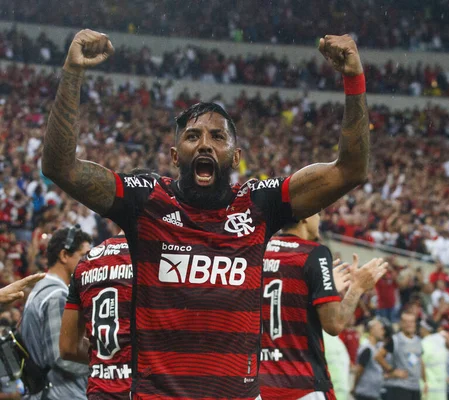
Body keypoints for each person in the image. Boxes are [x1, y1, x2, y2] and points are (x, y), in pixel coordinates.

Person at [43, 29, 371, 400]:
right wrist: (71, 72)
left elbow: (351, 170)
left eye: (218, 137)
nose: (204, 143)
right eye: (193, 136)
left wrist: (353, 79)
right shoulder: (147, 201)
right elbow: (60, 167)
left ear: (235, 156)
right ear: (173, 154)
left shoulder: (260, 204)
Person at [259, 214, 388, 399]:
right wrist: (357, 288)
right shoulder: (315, 252)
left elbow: (284, 299)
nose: (319, 219)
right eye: (318, 213)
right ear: (305, 216)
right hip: (303, 384)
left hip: (261, 385)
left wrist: (321, 289)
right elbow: (334, 324)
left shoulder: (262, 249)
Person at [59, 230, 132, 399]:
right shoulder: (155, 257)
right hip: (142, 390)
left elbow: (68, 348)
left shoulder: (85, 261)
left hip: (100, 391)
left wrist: (107, 358)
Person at [21, 226, 92, 400]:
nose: (89, 262)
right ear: (64, 255)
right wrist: (102, 363)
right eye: (84, 255)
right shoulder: (57, 296)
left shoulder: (41, 290)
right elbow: (63, 357)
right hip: (61, 394)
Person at [374, 312, 426, 400]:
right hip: (400, 386)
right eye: (406, 322)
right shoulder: (395, 339)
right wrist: (392, 370)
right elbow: (378, 356)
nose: (409, 325)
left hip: (415, 386)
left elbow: (420, 361)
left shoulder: (418, 341)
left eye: (411, 322)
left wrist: (425, 382)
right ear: (401, 323)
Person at [352, 318, 386, 400]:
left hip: (373, 393)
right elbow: (360, 369)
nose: (383, 332)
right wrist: (354, 387)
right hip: (365, 393)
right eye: (380, 329)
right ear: (372, 330)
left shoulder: (377, 348)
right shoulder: (367, 348)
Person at [420, 319, 449, 400]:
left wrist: (424, 382)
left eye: (421, 328)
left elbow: (421, 364)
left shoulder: (423, 343)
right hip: (441, 389)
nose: (420, 330)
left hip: (427, 387)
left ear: (426, 329)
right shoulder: (442, 341)